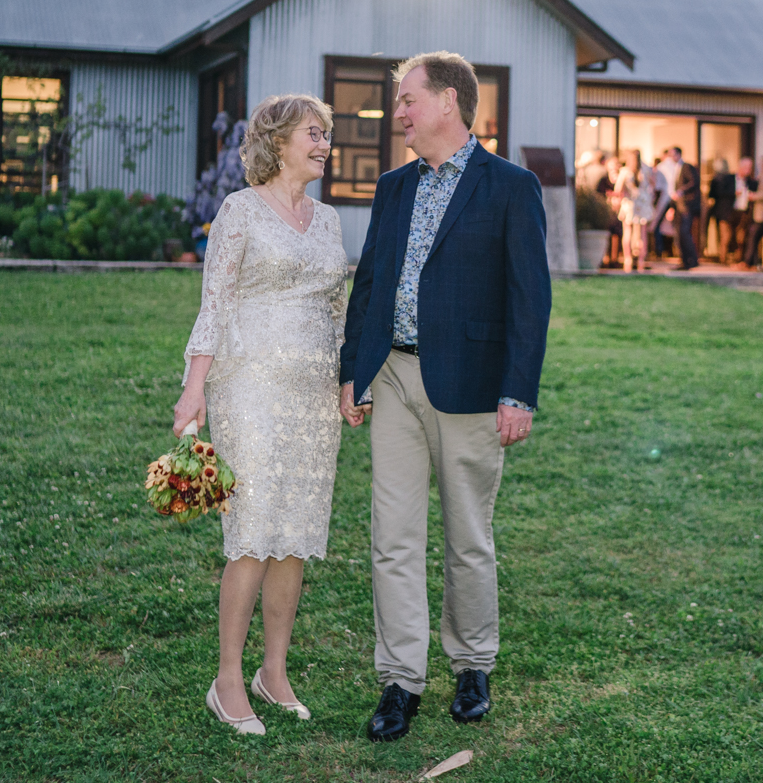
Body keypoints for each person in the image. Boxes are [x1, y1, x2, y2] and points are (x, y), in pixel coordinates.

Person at [337, 51, 551, 743]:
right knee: (392, 538)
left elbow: (530, 300)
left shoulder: (511, 187)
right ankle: (400, 680)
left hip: (474, 386)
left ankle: (472, 666)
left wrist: (518, 392)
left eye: (407, 100)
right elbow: (368, 283)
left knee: (468, 535)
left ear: (450, 102)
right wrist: (354, 369)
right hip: (392, 380)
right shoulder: (394, 187)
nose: (396, 112)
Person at [173, 93, 350, 737]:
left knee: (295, 534)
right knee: (251, 531)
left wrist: (347, 382)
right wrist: (193, 390)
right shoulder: (240, 211)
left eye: (327, 134)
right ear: (278, 141)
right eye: (315, 133)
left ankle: (273, 672)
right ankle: (226, 679)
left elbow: (338, 312)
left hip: (312, 397)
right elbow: (213, 304)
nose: (325, 144)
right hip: (248, 388)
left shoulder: (328, 221)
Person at [664, 146, 701, 269]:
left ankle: (691, 260)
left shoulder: (686, 167)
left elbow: (694, 182)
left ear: (679, 154)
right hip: (679, 206)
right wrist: (672, 207)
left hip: (686, 206)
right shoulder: (676, 169)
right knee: (680, 233)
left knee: (684, 233)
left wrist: (682, 191)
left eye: (673, 155)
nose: (671, 158)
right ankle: (685, 260)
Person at [618, 149, 655, 272]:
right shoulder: (646, 170)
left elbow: (618, 189)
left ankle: (627, 259)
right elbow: (653, 185)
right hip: (643, 202)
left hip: (630, 203)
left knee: (627, 232)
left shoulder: (625, 171)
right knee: (642, 234)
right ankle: (641, 261)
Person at [706, 157, 736, 263]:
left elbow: (711, 196)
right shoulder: (728, 179)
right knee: (725, 235)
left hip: (721, 211)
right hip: (724, 211)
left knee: (724, 235)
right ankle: (723, 256)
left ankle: (723, 255)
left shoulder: (717, 179)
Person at [741, 157, 763, 268]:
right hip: (755, 213)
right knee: (754, 237)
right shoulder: (758, 177)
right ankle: (751, 261)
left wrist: (754, 197)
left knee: (754, 236)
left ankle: (749, 262)